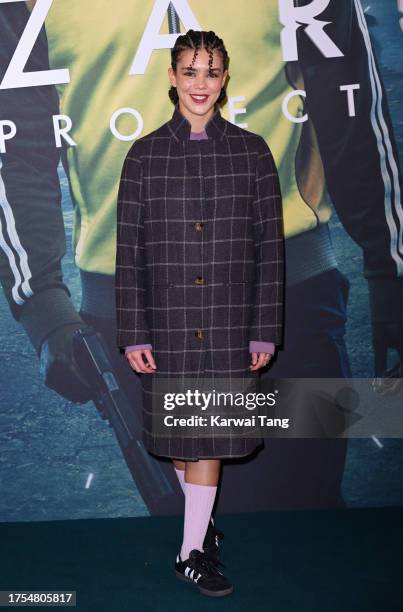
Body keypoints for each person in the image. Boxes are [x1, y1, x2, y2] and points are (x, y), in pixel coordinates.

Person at [115, 30, 284, 597]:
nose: (200, 84)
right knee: (183, 440)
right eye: (190, 71)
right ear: (171, 77)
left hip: (233, 321)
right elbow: (128, 253)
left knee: (208, 435)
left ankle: (191, 552)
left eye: (211, 73)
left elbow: (270, 251)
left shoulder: (253, 151)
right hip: (165, 323)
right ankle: (202, 526)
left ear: (225, 79)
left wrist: (265, 331)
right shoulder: (142, 155)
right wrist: (133, 331)